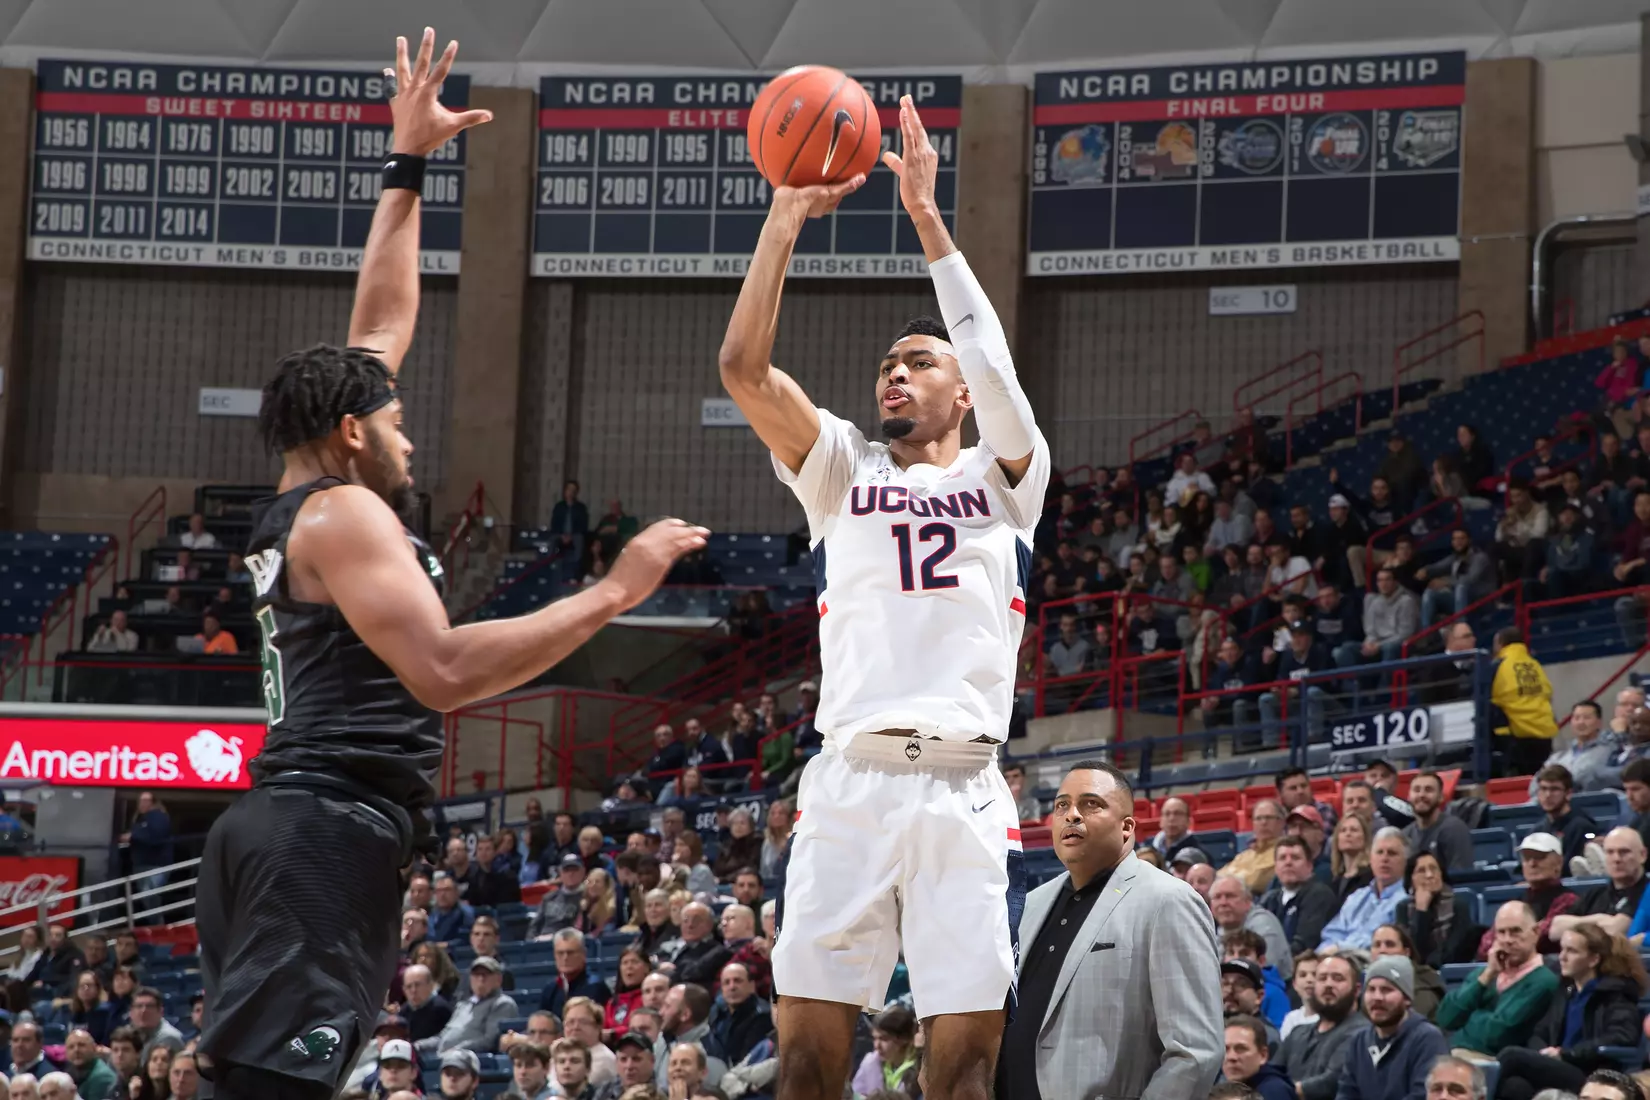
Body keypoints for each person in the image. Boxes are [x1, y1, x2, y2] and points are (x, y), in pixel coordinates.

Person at [195, 33, 704, 1100]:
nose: (411, 435)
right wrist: (612, 591)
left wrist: (408, 163)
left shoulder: (314, 488)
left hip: (300, 821)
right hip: (322, 823)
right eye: (397, 420)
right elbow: (443, 669)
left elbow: (381, 318)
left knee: (267, 1074)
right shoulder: (341, 512)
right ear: (348, 432)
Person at [719, 95, 1050, 1100]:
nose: (897, 372)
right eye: (886, 364)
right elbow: (742, 366)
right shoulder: (841, 465)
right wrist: (782, 218)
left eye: (918, 360)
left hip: (963, 786)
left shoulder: (1007, 477)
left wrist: (927, 220)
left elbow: (990, 358)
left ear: (960, 393)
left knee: (966, 1066)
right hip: (852, 779)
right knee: (811, 1057)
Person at [999, 760, 1222, 1099]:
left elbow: (1194, 1052)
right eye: (1062, 805)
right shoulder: (1029, 904)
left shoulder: (1169, 900)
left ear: (1127, 827)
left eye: (1091, 804)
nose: (1071, 815)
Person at [1494, 923, 1648, 1100]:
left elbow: (1622, 1036)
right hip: (1559, 1066)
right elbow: (1540, 1032)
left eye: (1572, 951)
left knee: (1511, 1056)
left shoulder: (1615, 993)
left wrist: (1566, 1054)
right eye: (1562, 950)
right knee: (1514, 1087)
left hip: (1589, 1073)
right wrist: (1544, 1053)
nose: (1562, 957)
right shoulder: (1566, 991)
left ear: (1593, 959)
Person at [1436, 901, 1561, 1060]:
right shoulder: (1482, 974)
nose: (1507, 940)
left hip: (1497, 1064)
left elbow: (1497, 1035)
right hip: (1456, 1057)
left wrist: (1468, 1019)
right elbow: (1446, 1018)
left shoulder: (1544, 980)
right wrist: (1487, 975)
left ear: (1536, 932)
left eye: (1515, 931)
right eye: (1501, 932)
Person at [1333, 956, 1448, 1100]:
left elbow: (1423, 1095)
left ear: (1407, 998)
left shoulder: (1427, 1038)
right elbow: (1346, 1093)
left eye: (1386, 990)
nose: (1377, 997)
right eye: (1371, 989)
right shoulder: (1359, 1040)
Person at [1273, 953, 1364, 1100]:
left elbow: (1331, 1082)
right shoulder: (1297, 1032)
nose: (1328, 984)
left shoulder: (1362, 1032)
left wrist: (1282, 1091)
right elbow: (1272, 1074)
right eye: (1322, 978)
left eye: (1338, 978)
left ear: (1357, 989)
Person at [1478, 832, 1579, 959]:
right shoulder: (1517, 903)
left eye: (1539, 857)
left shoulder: (1568, 900)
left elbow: (1542, 938)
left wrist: (1504, 944)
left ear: (1558, 863)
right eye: (1527, 858)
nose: (1532, 864)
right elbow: (1485, 947)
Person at [1319, 827, 1409, 951]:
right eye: (1379, 852)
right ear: (1371, 859)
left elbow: (1382, 945)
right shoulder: (1357, 897)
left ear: (1405, 861)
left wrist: (1340, 949)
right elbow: (1331, 933)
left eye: (1392, 853)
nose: (1384, 859)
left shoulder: (1405, 901)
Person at [1552, 827, 1648, 939]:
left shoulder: (1646, 893)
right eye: (1610, 852)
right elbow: (1555, 929)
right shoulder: (1595, 894)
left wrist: (1578, 924)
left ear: (1643, 855)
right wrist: (1599, 919)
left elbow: (1616, 929)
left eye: (1624, 852)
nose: (1616, 859)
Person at [1259, 836, 1339, 958]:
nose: (1288, 862)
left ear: (1309, 866)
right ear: (1275, 867)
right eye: (1282, 858)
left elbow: (1305, 943)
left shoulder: (1319, 895)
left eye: (1295, 858)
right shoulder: (1269, 899)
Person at [1391, 855, 1476, 969]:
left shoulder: (1459, 906)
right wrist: (1421, 910)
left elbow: (1454, 952)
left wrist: (1431, 964)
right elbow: (1412, 953)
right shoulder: (1403, 908)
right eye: (1421, 870)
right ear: (1411, 879)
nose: (1429, 875)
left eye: (1434, 869)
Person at [1210, 874, 1293, 979]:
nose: (1223, 903)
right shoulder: (1218, 929)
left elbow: (1265, 971)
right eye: (1217, 897)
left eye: (1230, 896)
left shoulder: (1263, 923)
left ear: (1248, 902)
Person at [1536, 703, 1618, 796]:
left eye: (1587, 718)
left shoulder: (1609, 751)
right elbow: (1536, 783)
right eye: (1576, 718)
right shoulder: (1558, 756)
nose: (1581, 722)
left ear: (1599, 722)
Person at [1370, 924, 1446, 1022]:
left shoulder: (1424, 988)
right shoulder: (1366, 983)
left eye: (1390, 944)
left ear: (1406, 952)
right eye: (1377, 945)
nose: (1382, 950)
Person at [1400, 772, 1473, 872]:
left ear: (1441, 797)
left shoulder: (1454, 828)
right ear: (1408, 796)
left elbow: (1461, 875)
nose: (1421, 795)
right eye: (1416, 790)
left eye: (1428, 790)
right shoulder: (1405, 835)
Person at [1534, 765, 1601, 866]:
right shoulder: (1537, 830)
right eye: (1543, 789)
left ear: (1568, 793)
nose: (1548, 795)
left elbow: (1570, 869)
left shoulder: (1581, 826)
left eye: (1554, 789)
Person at [1221, 800, 1286, 897]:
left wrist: (1232, 875)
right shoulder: (1244, 855)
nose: (1263, 822)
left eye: (1269, 818)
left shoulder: (1284, 852)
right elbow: (1219, 876)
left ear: (1281, 822)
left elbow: (1257, 880)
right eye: (1258, 818)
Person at [1222, 1014, 1293, 1100]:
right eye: (1226, 1049)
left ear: (1263, 1055)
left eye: (1241, 1049)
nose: (1231, 1057)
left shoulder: (1274, 1091)